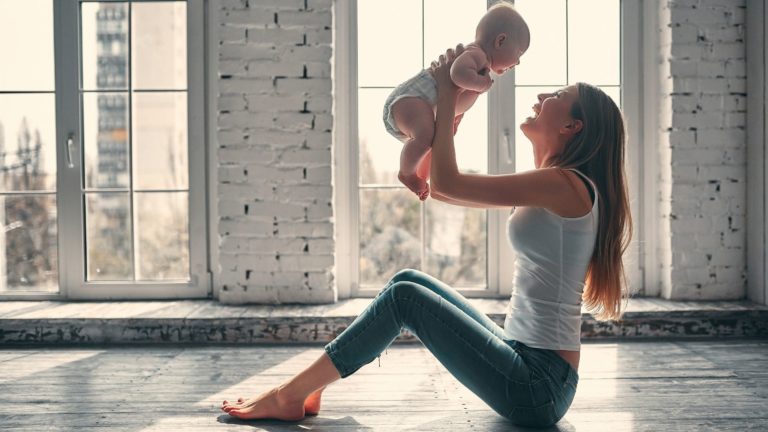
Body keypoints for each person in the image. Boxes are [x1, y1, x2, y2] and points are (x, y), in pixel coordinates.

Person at [221, 44, 633, 428]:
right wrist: (444, 113)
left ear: (571, 125)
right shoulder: (558, 183)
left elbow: (449, 183)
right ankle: (309, 388)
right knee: (408, 282)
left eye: (556, 95)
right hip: (528, 362)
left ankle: (288, 394)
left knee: (405, 299)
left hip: (537, 385)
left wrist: (445, 89)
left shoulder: (563, 184)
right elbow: (441, 184)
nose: (541, 95)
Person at [383, 2, 529, 200]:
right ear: (500, 41)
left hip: (420, 107)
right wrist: (482, 84)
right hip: (409, 100)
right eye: (519, 53)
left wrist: (455, 114)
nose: (518, 62)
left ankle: (420, 176)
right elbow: (457, 74)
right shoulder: (477, 54)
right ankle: (406, 173)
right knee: (426, 135)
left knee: (433, 141)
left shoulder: (481, 61)